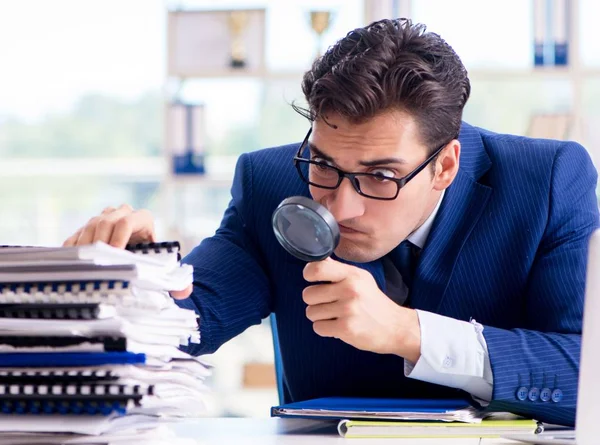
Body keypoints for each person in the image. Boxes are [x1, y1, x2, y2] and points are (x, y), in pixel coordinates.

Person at [64, 19, 599, 426]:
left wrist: (407, 333)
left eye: (381, 175)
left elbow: (585, 374)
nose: (339, 210)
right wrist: (135, 276)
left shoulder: (546, 182)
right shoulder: (269, 181)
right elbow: (182, 325)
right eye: (323, 165)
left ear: (445, 166)